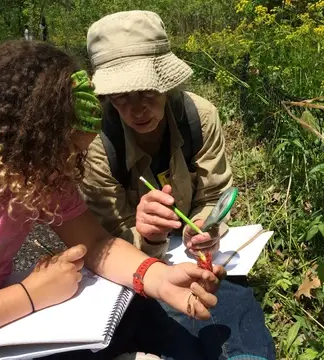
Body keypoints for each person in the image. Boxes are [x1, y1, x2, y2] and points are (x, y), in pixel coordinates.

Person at [0, 40, 226, 359]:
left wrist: (158, 277)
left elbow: (97, 242)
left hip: (3, 323)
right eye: (60, 156)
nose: (66, 170)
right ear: (22, 143)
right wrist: (30, 294)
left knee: (143, 317)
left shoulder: (41, 177)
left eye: (76, 156)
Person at [81, 10, 276, 360]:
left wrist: (204, 225)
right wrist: (149, 237)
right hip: (135, 261)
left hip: (194, 253)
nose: (137, 108)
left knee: (229, 303)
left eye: (147, 91)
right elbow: (104, 243)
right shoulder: (97, 145)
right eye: (121, 96)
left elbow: (215, 193)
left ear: (167, 83)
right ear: (106, 96)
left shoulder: (198, 117)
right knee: (164, 329)